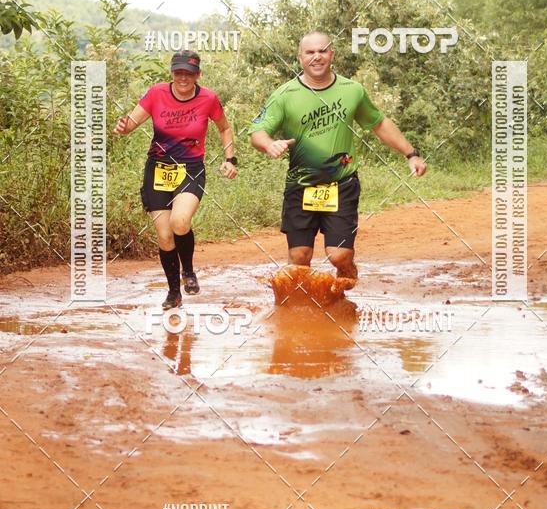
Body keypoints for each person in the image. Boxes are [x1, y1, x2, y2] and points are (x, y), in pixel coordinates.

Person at [250, 31, 426, 279]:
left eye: (322, 51)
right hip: (301, 186)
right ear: (300, 57)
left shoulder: (352, 90)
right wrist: (268, 144)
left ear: (332, 54)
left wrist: (411, 154)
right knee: (299, 258)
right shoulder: (284, 95)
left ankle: (347, 279)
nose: (317, 57)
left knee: (339, 256)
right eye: (310, 52)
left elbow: (379, 124)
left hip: (342, 184)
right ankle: (303, 311)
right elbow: (257, 131)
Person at [113, 50, 238, 309]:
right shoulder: (157, 93)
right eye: (178, 72)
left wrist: (230, 158)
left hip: (190, 168)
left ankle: (188, 271)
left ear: (198, 75)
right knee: (165, 236)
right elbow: (132, 123)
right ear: (171, 72)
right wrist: (123, 126)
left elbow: (224, 128)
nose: (183, 77)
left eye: (189, 73)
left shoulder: (208, 99)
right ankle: (173, 292)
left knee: (180, 222)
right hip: (158, 169)